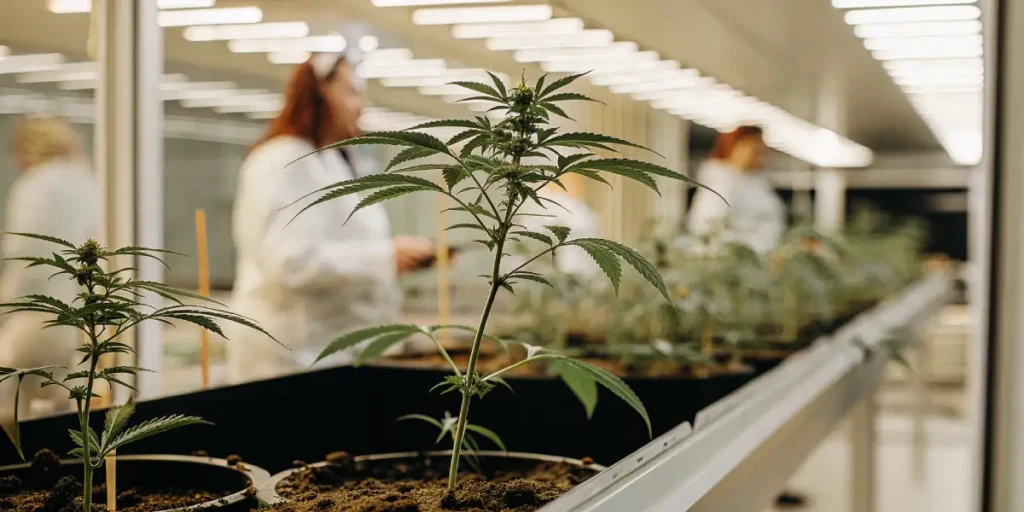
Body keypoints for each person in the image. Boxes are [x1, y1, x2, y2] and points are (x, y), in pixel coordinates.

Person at [226, 53, 435, 383]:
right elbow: (291, 263)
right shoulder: (284, 160)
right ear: (319, 92)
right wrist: (384, 256)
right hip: (292, 359)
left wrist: (392, 256)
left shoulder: (333, 161)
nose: (361, 105)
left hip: (334, 354)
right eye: (351, 92)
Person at [0, 116, 100, 426]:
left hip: (33, 315)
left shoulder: (33, 185)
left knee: (10, 412)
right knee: (62, 415)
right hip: (74, 318)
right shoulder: (89, 182)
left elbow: (23, 256)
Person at [687, 125, 785, 255]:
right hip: (730, 262)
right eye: (754, 148)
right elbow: (705, 228)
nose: (760, 155)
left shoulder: (760, 184)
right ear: (735, 148)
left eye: (762, 149)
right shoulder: (720, 183)